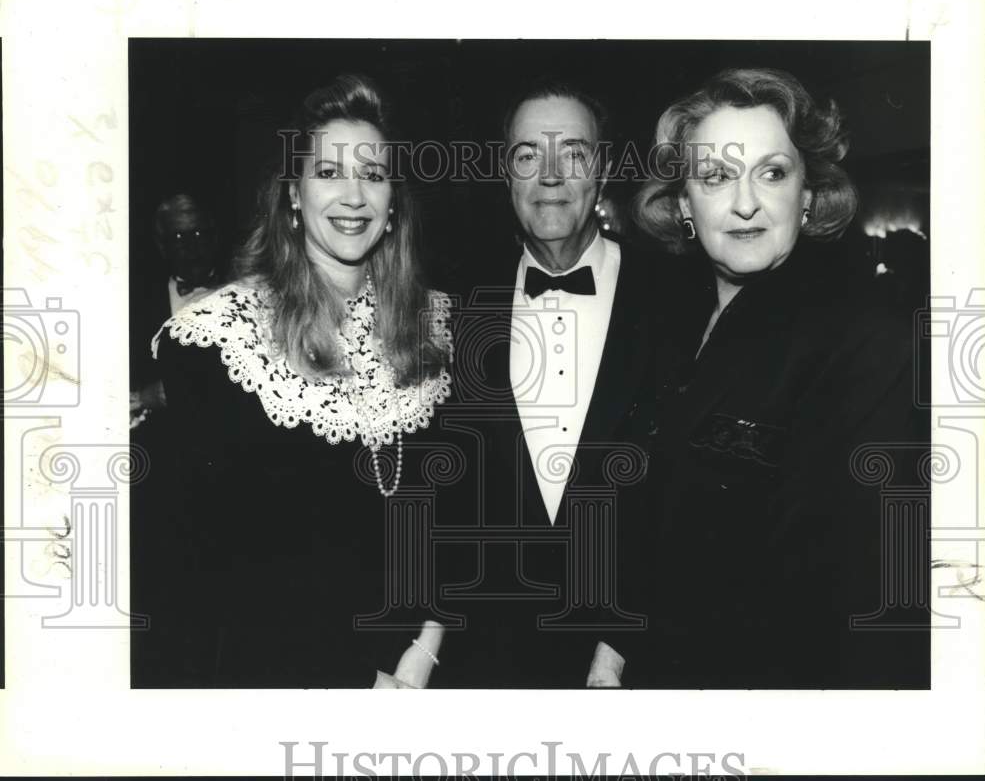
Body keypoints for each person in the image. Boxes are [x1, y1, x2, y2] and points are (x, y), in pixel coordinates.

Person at [132, 75, 452, 688]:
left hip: (423, 674)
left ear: (395, 203)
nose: (354, 196)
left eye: (374, 174)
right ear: (294, 196)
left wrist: (422, 656)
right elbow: (202, 574)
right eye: (329, 173)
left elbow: (454, 525)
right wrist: (360, 679)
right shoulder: (213, 342)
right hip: (278, 684)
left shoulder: (439, 327)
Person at [634, 68, 929, 688]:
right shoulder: (670, 333)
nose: (746, 203)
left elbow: (866, 615)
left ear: (809, 197)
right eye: (716, 176)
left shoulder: (866, 345)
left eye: (772, 173)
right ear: (685, 204)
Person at [437, 81, 666, 688]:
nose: (551, 175)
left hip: (644, 657)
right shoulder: (457, 306)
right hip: (493, 663)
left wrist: (617, 653)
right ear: (505, 174)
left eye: (575, 154)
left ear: (605, 168)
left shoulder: (678, 296)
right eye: (527, 155)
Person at [130, 193, 221, 430]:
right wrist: (144, 396)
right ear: (163, 246)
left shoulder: (244, 293)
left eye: (200, 234)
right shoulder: (137, 307)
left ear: (215, 238)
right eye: (179, 237)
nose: (193, 247)